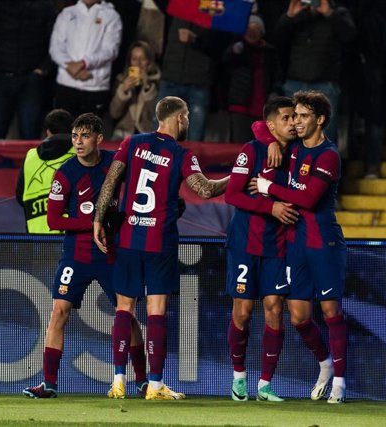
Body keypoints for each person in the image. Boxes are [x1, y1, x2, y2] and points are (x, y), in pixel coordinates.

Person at [93, 96, 229, 400]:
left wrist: (98, 220)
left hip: (128, 238)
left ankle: (117, 380)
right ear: (180, 118)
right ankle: (154, 385)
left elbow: (111, 183)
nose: (188, 124)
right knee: (156, 311)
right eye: (187, 119)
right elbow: (204, 189)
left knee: (124, 307)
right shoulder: (181, 153)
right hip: (159, 242)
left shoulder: (132, 143)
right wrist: (236, 177)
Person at [23, 113, 148, 399]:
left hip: (111, 254)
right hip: (77, 255)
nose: (78, 142)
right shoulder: (65, 173)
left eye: (85, 136)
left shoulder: (116, 164)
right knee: (58, 312)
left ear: (99, 139)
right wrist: (94, 222)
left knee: (127, 316)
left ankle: (141, 381)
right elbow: (54, 220)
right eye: (75, 136)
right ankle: (49, 383)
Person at [252, 90, 348, 404]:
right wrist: (268, 142)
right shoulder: (293, 148)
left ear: (320, 120)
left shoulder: (328, 155)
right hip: (295, 241)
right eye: (294, 116)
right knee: (299, 317)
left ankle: (340, 384)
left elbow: (308, 199)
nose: (297, 122)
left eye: (304, 116)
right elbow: (259, 125)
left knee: (331, 311)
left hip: (323, 241)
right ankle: (324, 365)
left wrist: (270, 187)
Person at [224, 96, 299, 402]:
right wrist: (271, 207)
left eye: (295, 117)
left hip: (277, 246)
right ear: (271, 124)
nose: (293, 122)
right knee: (242, 312)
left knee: (274, 309)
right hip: (245, 244)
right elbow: (232, 195)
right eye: (286, 117)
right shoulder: (252, 150)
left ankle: (265, 384)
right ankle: (238, 378)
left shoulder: (298, 152)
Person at [273, 0, 356, 147]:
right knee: (290, 133)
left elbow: (350, 36)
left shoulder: (339, 12)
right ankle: (293, 168)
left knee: (325, 132)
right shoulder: (299, 14)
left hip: (325, 83)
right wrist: (289, 16)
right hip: (295, 82)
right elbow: (277, 40)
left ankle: (324, 168)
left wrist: (329, 13)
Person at [0, 0, 56, 140]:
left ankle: (30, 162)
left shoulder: (44, 5)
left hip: (31, 77)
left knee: (29, 131)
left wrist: (44, 67)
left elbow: (55, 38)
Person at [154, 18, 229, 141]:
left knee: (194, 138)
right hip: (171, 78)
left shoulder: (214, 11)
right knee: (160, 136)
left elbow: (221, 47)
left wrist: (195, 40)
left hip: (199, 82)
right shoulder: (177, 7)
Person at [49, 0, 122, 119]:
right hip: (66, 84)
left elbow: (110, 50)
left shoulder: (111, 16)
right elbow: (55, 47)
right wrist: (69, 66)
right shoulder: (67, 13)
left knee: (89, 135)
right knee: (63, 134)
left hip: (95, 86)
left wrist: (84, 63)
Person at [222, 14, 283, 143]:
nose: (252, 33)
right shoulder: (238, 48)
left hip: (261, 108)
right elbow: (225, 62)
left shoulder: (269, 52)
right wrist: (235, 49)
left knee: (259, 147)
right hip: (239, 106)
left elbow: (277, 75)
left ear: (262, 32)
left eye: (256, 30)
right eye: (248, 29)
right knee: (238, 148)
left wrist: (274, 92)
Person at [15, 109, 76, 233]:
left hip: (38, 240)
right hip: (72, 239)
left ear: (47, 131)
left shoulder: (30, 157)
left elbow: (20, 196)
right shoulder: (81, 153)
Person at [109, 41, 160, 140]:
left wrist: (147, 87)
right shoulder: (121, 80)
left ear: (149, 61)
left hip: (145, 135)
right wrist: (123, 91)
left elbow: (155, 115)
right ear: (130, 62)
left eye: (143, 59)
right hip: (123, 133)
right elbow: (114, 113)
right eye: (134, 59)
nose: (138, 63)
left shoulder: (157, 82)